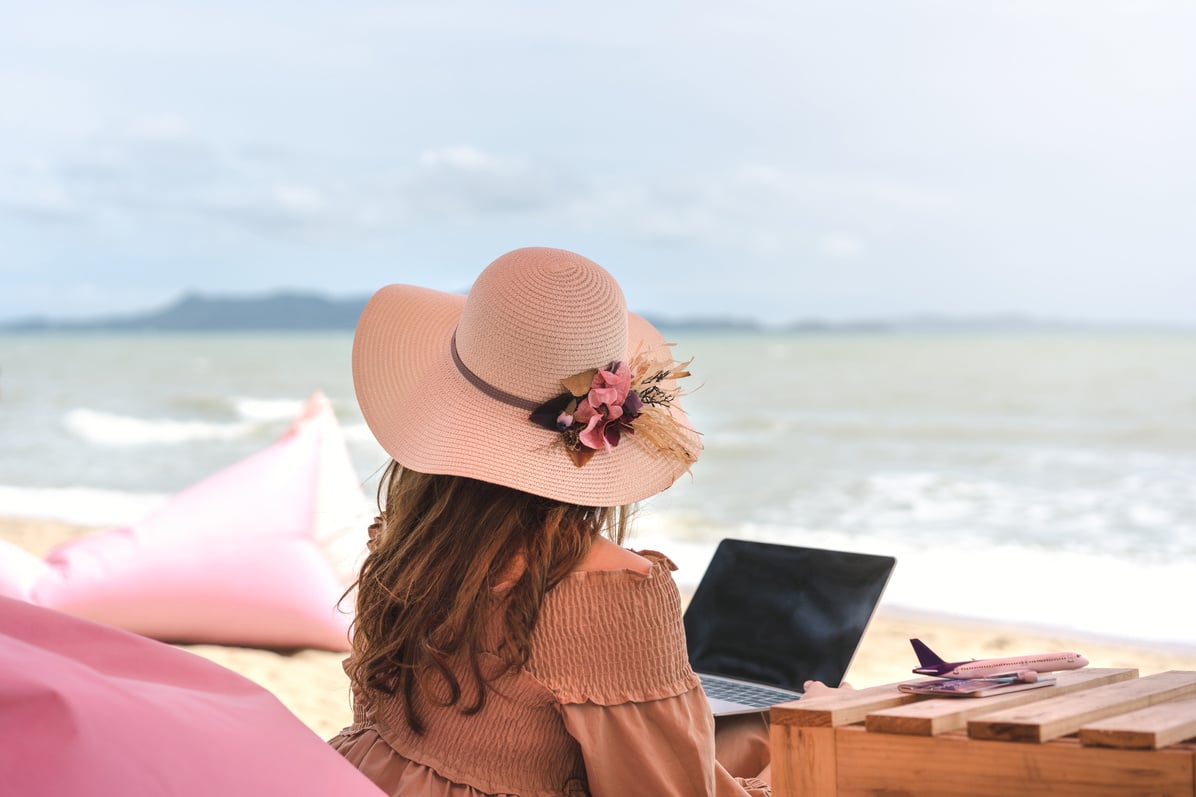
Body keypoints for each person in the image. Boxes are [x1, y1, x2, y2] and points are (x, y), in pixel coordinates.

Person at [331, 247, 839, 796]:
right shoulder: (611, 593)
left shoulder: (408, 544)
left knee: (753, 732)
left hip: (358, 782)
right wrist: (819, 738)